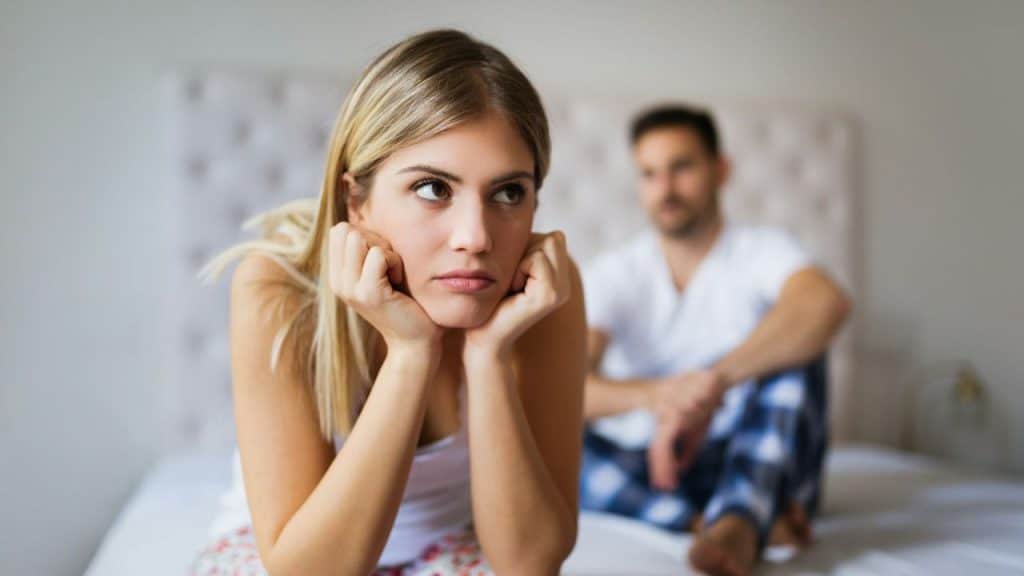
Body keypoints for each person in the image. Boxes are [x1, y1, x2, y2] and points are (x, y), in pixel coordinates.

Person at [190, 29, 586, 576]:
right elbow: (308, 573)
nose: (475, 238)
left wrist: (489, 355)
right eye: (433, 189)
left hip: (452, 549)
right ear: (356, 200)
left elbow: (530, 564)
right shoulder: (279, 289)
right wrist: (410, 353)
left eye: (508, 193)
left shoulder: (544, 294)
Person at [579, 105, 851, 576]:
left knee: (800, 352)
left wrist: (711, 386)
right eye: (649, 174)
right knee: (553, 440)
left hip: (755, 453)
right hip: (656, 467)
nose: (665, 189)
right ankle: (717, 521)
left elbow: (826, 304)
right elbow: (563, 385)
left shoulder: (762, 249)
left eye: (681, 167)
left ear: (720, 170)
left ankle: (740, 515)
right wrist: (660, 397)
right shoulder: (616, 272)